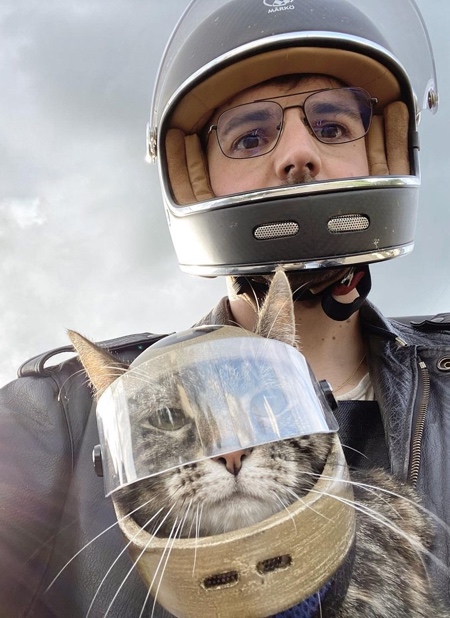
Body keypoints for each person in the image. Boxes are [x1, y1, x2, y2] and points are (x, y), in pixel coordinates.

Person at [0, 0, 449, 616]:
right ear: (196, 178)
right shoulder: (69, 414)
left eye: (335, 126)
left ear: (387, 153)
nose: (298, 156)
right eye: (252, 135)